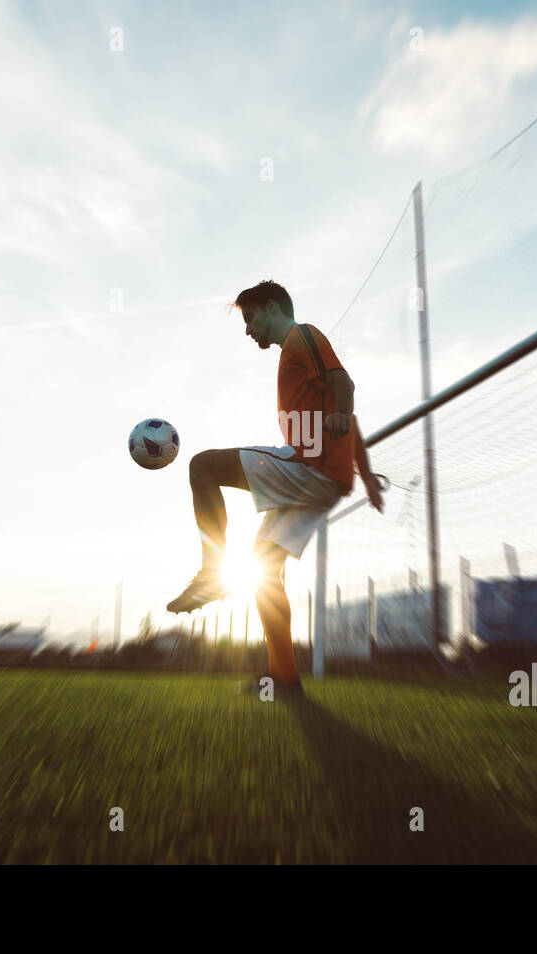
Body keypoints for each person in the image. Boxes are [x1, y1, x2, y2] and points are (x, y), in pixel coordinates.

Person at [165, 279, 385, 695]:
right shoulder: (293, 356)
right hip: (322, 481)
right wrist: (367, 475)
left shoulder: (303, 335)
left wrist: (339, 414)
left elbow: (345, 386)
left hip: (308, 467)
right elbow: (346, 418)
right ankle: (284, 679)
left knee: (202, 468)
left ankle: (212, 573)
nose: (249, 330)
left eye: (250, 319)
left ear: (270, 307)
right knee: (265, 572)